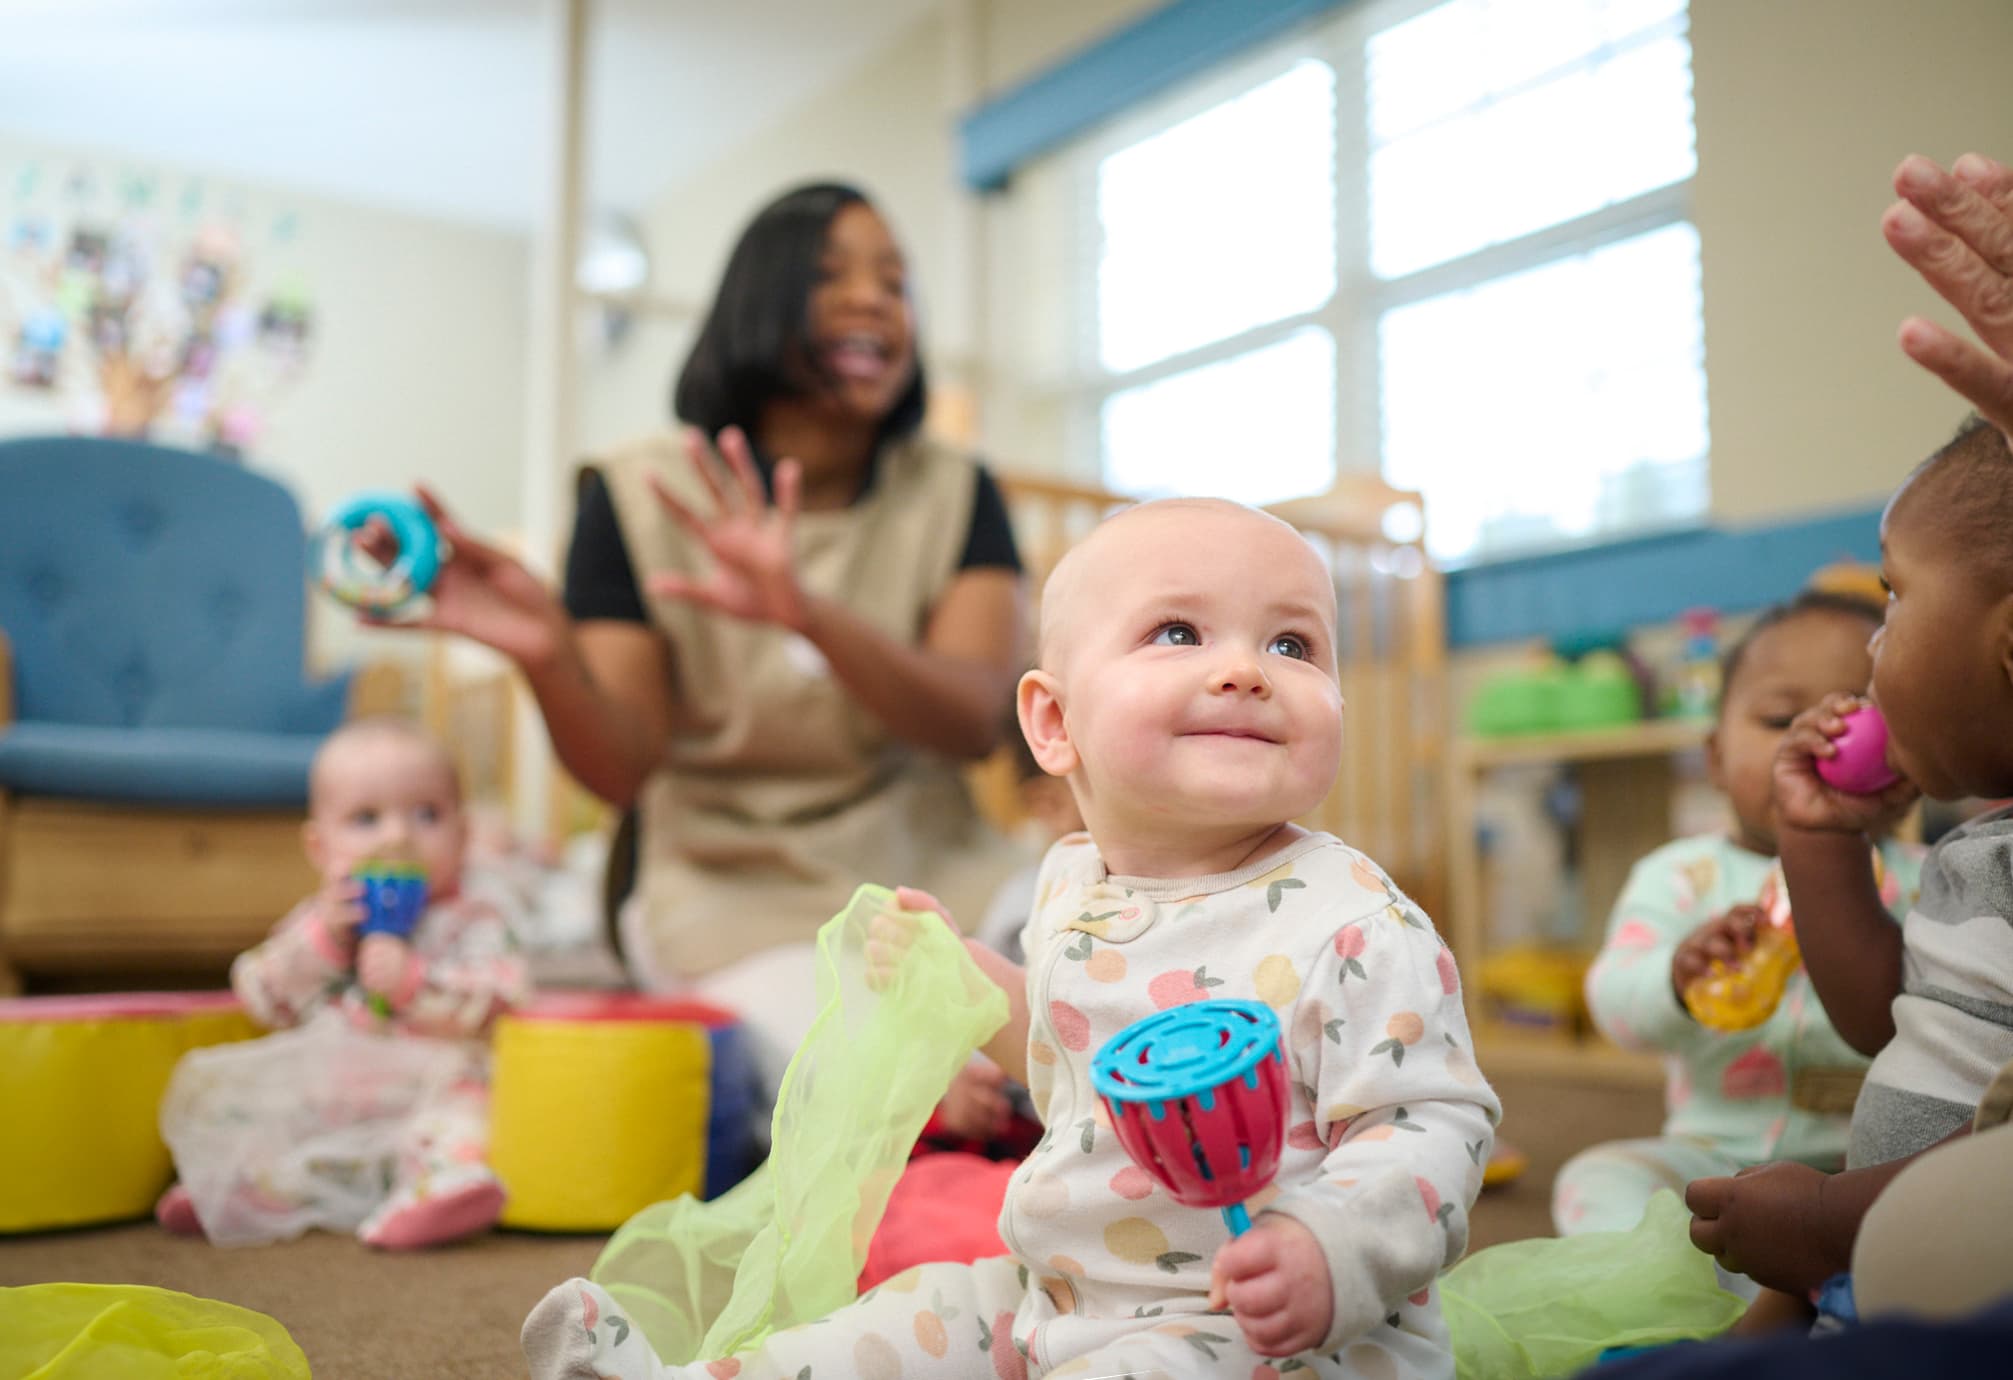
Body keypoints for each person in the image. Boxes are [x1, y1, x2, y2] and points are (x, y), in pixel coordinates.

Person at [523, 498, 1502, 1379]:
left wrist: (1328, 1247)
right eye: (1178, 632)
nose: (1245, 670)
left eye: (1294, 646)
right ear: (1052, 722)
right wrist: (962, 980)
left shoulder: (1357, 920)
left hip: (1269, 1335)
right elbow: (1066, 1052)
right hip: (1059, 1295)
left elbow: (1433, 1127)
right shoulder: (1072, 885)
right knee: (911, 1315)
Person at [369, 182, 1029, 1097]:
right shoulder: (634, 493)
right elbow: (621, 769)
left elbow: (972, 719)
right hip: (728, 890)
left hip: (939, 864)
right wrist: (544, 653)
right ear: (757, 297)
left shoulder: (957, 489)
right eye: (832, 273)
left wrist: (808, 613)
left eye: (895, 281)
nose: (875, 297)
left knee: (1105, 987)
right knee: (908, 1084)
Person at [1683, 147, 2013, 1321]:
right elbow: (1882, 1018)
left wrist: (1831, 1221)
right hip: (1871, 1273)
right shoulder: (1979, 850)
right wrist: (1821, 846)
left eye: (1891, 599)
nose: (1871, 653)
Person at [1555, 592, 1924, 1239]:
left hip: (1868, 1165)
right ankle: (1697, 1296)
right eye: (1782, 718)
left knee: (1952, 1201)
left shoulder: (1927, 878)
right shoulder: (1676, 876)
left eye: (1860, 719)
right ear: (1715, 758)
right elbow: (1610, 1003)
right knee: (1596, 1178)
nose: (1817, 740)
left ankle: (1799, 1287)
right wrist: (1675, 980)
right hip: (1712, 1157)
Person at [157, 717, 530, 1249]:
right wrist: (324, 944)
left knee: (467, 1111)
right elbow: (262, 996)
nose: (398, 835)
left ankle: (440, 1188)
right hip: (333, 1086)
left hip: (429, 1081)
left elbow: (501, 1001)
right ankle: (239, 1188)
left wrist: (415, 984)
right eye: (366, 818)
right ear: (321, 847)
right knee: (243, 1104)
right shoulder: (323, 919)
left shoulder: (475, 919)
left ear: (463, 834)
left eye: (427, 814)